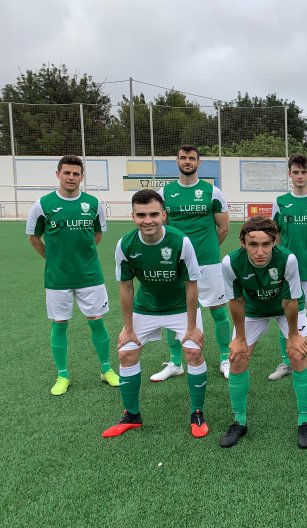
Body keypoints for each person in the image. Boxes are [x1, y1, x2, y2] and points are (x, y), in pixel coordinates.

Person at [102, 189, 208, 438]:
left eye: (153, 214)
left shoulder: (180, 241)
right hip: (146, 307)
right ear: (133, 216)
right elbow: (126, 287)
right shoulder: (125, 244)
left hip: (181, 308)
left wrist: (192, 327)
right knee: (126, 354)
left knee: (193, 352)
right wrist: (127, 328)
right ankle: (132, 415)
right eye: (141, 215)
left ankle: (197, 413)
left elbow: (192, 284)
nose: (147, 220)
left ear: (164, 215)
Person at [26, 155, 119, 395]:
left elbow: (96, 235)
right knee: (59, 325)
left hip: (90, 276)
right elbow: (34, 239)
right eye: (66, 172)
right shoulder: (43, 204)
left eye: (76, 173)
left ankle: (106, 369)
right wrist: (54, 258)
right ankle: (62, 375)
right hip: (57, 278)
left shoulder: (93, 203)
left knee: (97, 322)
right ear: (58, 174)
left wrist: (81, 257)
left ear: (81, 176)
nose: (71, 177)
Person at [220, 217, 307, 449]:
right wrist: (240, 339)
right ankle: (239, 421)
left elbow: (290, 301)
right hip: (253, 310)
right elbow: (236, 301)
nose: (260, 251)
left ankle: (305, 421)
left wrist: (293, 336)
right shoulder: (230, 262)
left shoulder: (287, 259)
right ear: (243, 243)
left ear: (274, 242)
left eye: (266, 244)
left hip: (287, 309)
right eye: (253, 244)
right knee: (237, 359)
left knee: (298, 356)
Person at [151, 145, 231, 381]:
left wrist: (206, 249)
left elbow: (223, 228)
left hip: (208, 262)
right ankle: (176, 362)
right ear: (177, 161)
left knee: (218, 310)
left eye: (192, 158)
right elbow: (159, 227)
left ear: (199, 162)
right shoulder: (165, 194)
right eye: (183, 158)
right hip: (175, 263)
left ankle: (225, 358)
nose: (187, 161)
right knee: (173, 311)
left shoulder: (212, 192)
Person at [267, 154, 307, 381]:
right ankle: (286, 363)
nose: (300, 176)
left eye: (304, 172)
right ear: (290, 174)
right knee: (285, 314)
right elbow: (274, 234)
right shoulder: (281, 201)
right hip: (286, 270)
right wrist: (285, 256)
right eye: (296, 172)